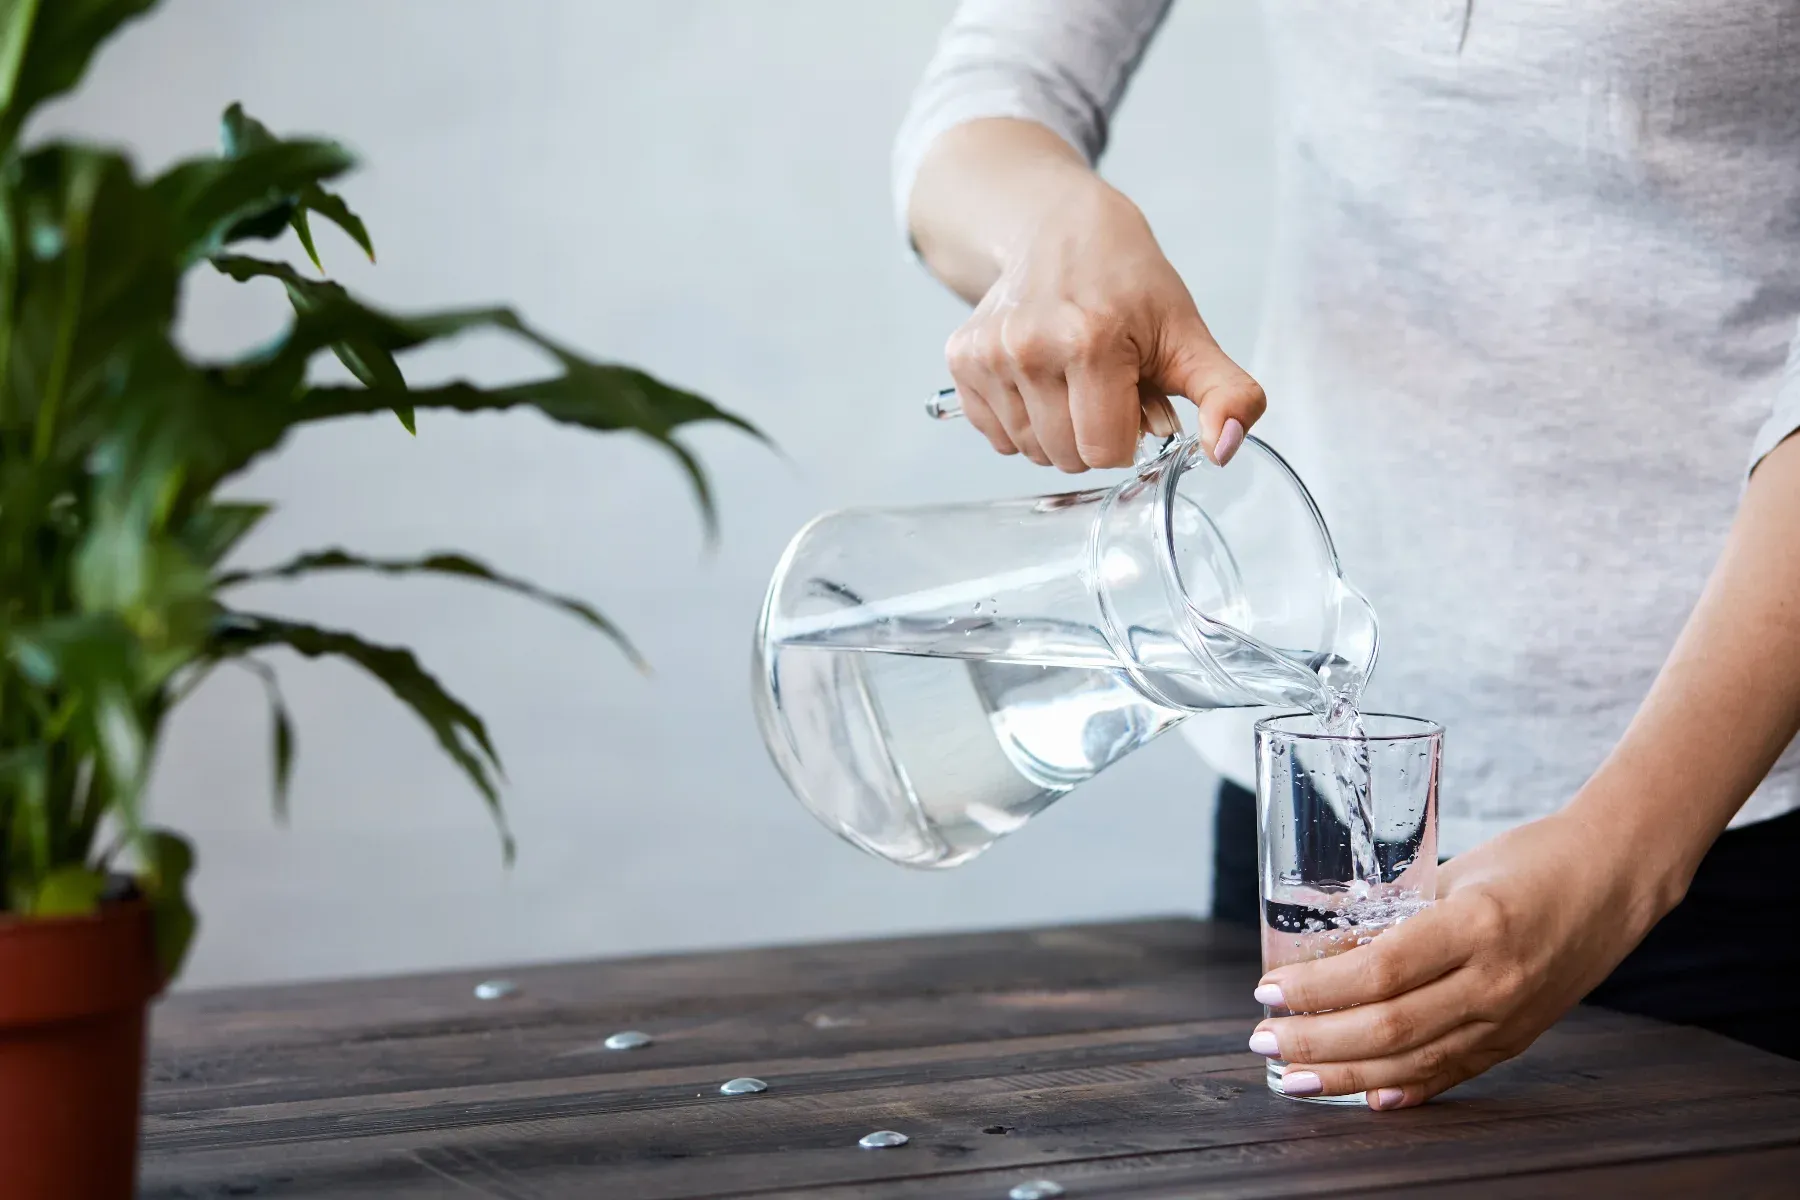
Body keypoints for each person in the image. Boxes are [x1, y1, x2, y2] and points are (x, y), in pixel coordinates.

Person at [893, 1, 1800, 1108]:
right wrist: (1052, 230)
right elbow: (985, 97)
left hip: (1733, 804)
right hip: (1303, 815)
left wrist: (1626, 854)